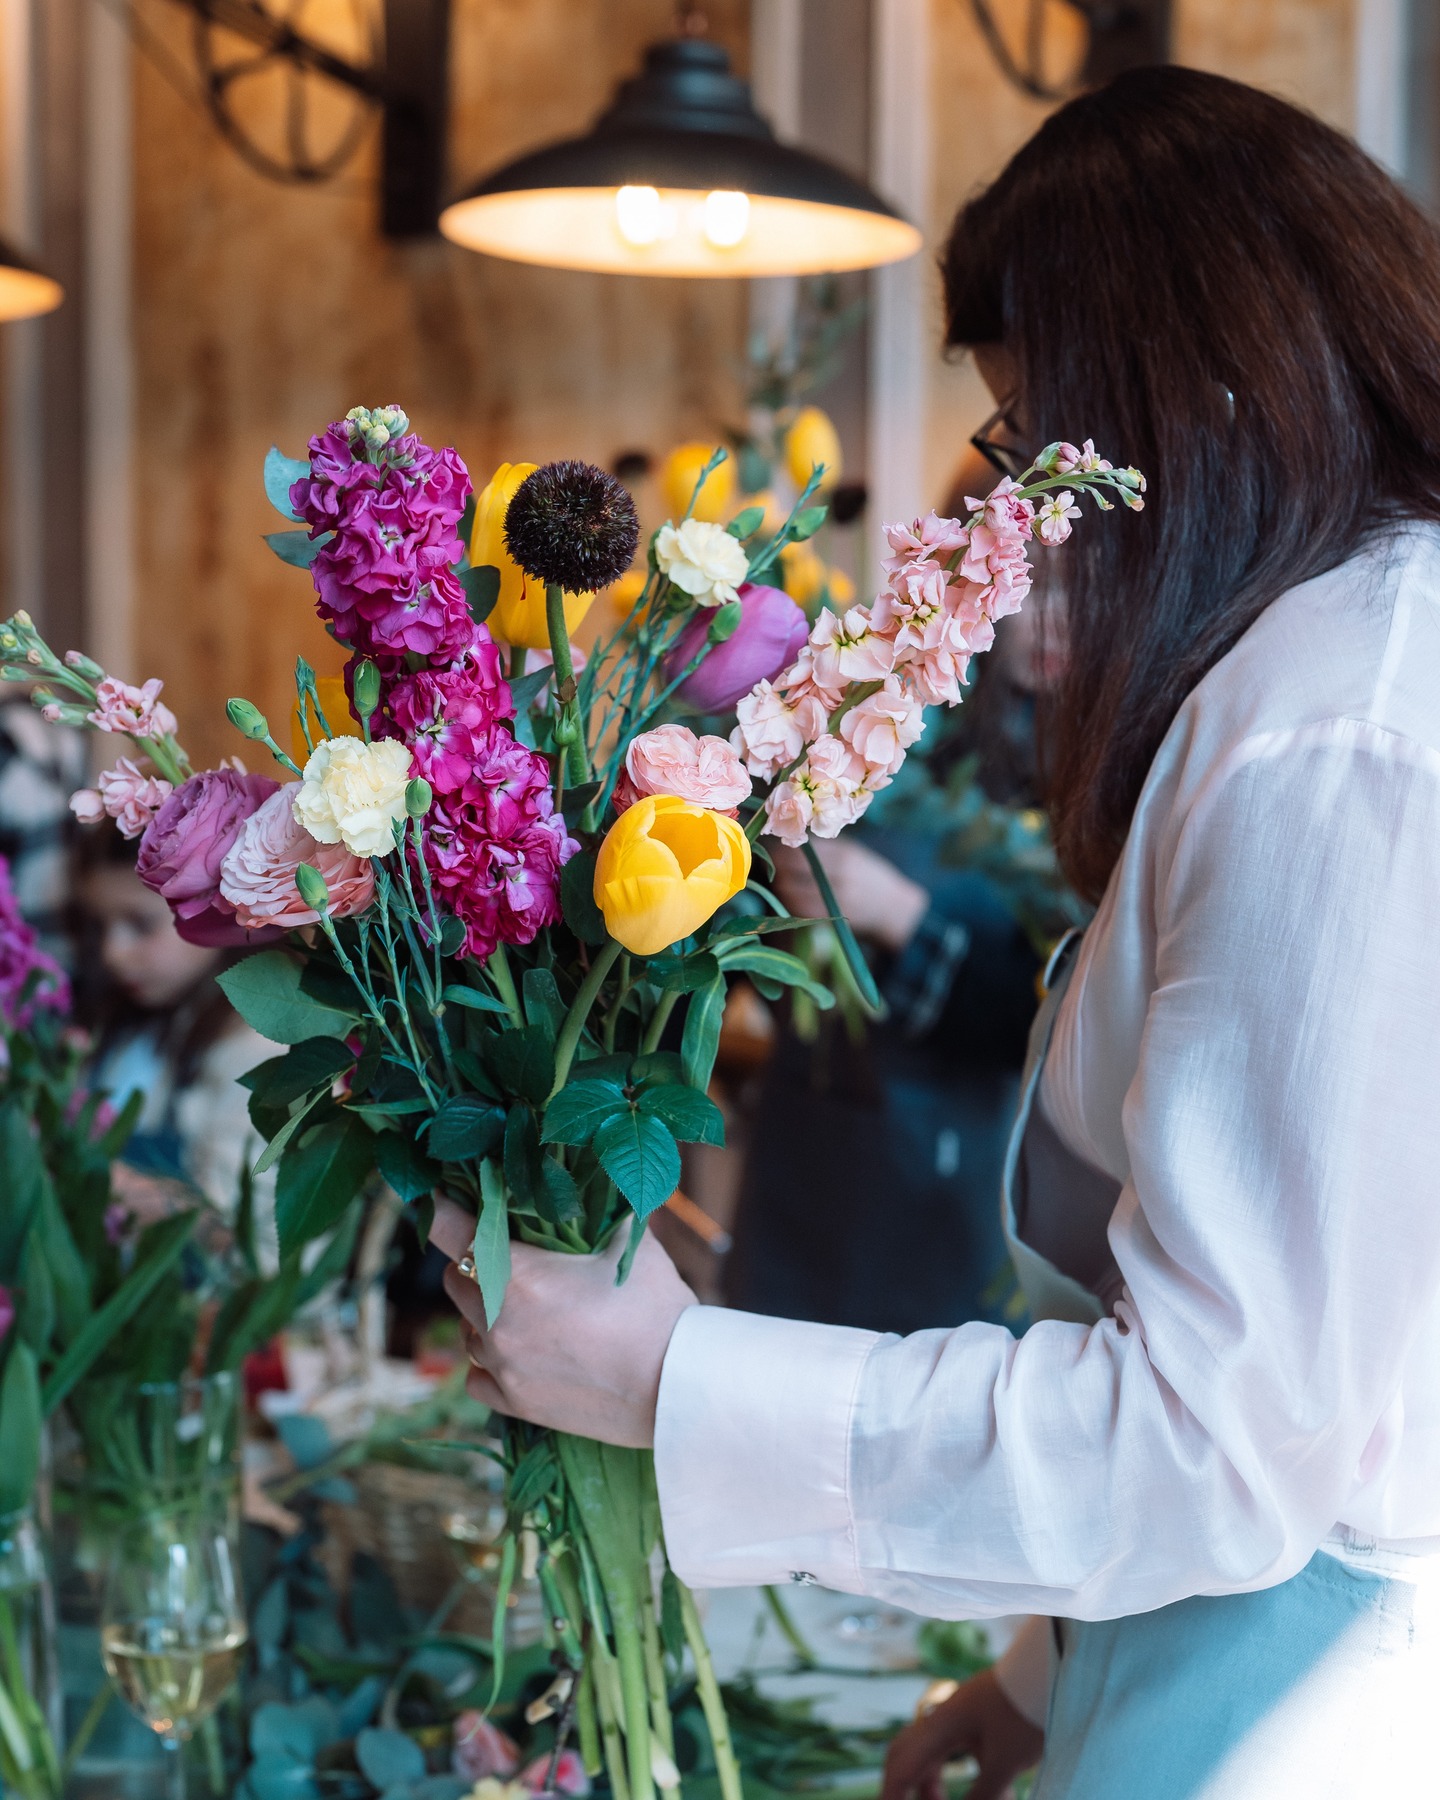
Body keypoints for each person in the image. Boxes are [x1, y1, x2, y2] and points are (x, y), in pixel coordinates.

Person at [431, 67, 1440, 1797]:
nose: (1019, 519)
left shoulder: (1343, 739)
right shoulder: (1314, 671)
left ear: (1194, 399)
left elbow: (1221, 1444)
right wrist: (1041, 1679)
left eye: (1034, 441)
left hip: (1301, 1708)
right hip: (1207, 1642)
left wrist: (673, 1377)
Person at [76, 825, 282, 1268]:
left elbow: (245, 1236)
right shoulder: (125, 1024)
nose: (112, 953)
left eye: (140, 924)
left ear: (217, 907)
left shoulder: (257, 1052)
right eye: (99, 926)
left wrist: (77, 1169)